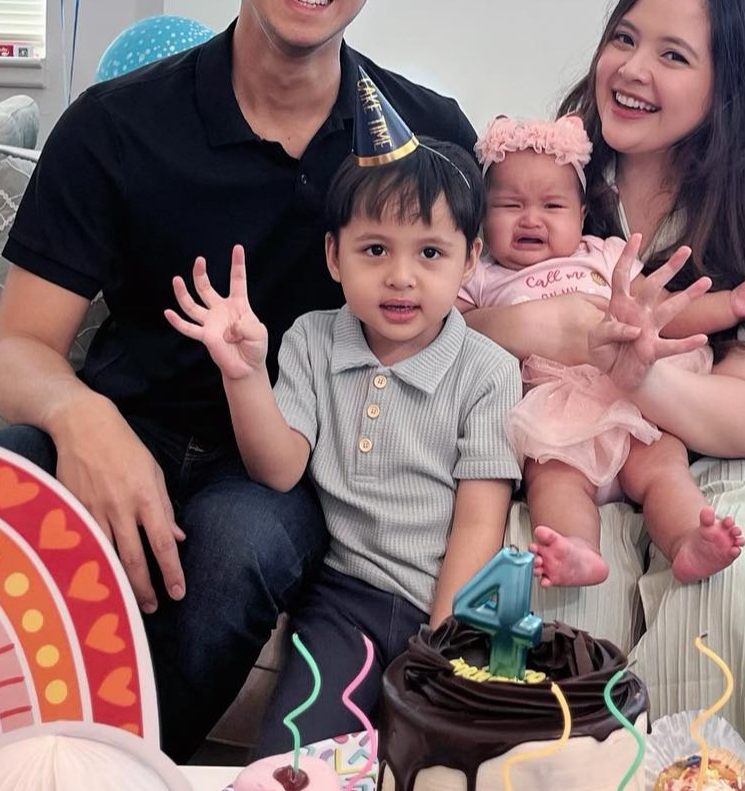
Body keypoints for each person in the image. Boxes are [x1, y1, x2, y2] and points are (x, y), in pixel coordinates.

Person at [0, 0, 477, 760]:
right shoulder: (116, 125)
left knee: (239, 547)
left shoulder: (424, 138)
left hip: (281, 462)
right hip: (129, 415)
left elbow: (482, 314)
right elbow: (18, 351)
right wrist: (85, 420)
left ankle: (116, 772)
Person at [463, 0, 745, 766]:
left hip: (722, 450)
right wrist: (559, 327)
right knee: (555, 589)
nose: (631, 68)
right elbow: (449, 315)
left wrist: (639, 372)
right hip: (566, 435)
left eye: (673, 55)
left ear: (727, 87)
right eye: (624, 38)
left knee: (734, 578)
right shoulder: (550, 175)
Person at [165, 118, 520, 752]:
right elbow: (278, 469)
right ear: (334, 256)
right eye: (375, 250)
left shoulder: (489, 371)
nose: (401, 276)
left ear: (470, 259)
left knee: (440, 761)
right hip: (342, 602)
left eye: (430, 253)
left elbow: (478, 524)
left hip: (445, 609)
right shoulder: (312, 338)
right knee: (294, 756)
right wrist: (244, 376)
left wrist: (443, 647)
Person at [459, 113, 745, 588]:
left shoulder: (603, 255)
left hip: (631, 398)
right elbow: (450, 331)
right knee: (553, 479)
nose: (531, 219)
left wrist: (731, 306)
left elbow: (664, 313)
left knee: (663, 469)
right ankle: (577, 549)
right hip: (554, 414)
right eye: (510, 205)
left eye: (552, 206)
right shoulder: (480, 273)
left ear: (580, 216)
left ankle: (689, 539)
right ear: (481, 216)